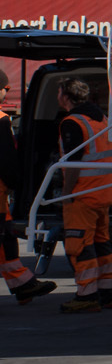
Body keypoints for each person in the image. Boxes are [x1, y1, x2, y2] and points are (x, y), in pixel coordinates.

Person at [55, 79, 112, 314]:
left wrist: (67, 192)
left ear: (65, 96)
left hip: (83, 193)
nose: (57, 96)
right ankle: (107, 293)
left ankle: (87, 294)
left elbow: (73, 162)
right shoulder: (101, 118)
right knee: (101, 243)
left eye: (59, 92)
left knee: (79, 244)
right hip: (103, 191)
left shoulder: (72, 122)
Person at [0, 69, 56, 304]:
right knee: (5, 238)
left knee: (5, 240)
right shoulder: (0, 119)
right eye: (5, 89)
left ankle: (23, 284)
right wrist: (16, 184)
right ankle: (24, 284)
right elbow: (5, 159)